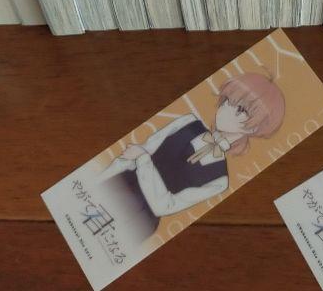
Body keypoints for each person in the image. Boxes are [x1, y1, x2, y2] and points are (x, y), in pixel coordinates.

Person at [104, 75, 285, 242]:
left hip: (136, 221)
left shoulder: (220, 180)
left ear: (255, 128)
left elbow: (163, 206)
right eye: (227, 100)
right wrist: (99, 179)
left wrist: (143, 160)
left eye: (240, 109)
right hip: (115, 187)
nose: (225, 109)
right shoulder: (187, 122)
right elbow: (132, 156)